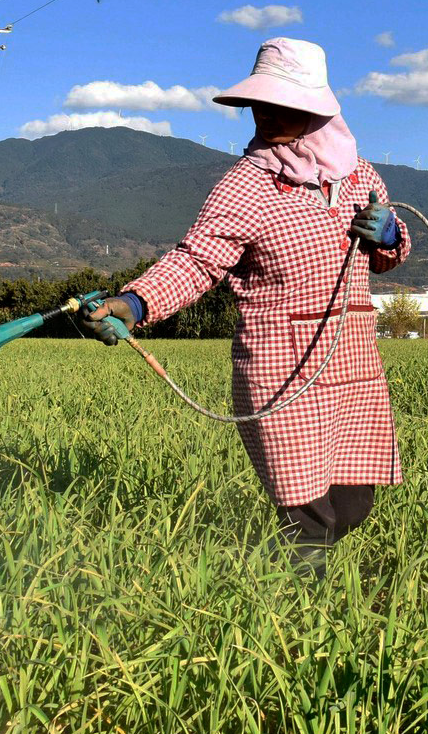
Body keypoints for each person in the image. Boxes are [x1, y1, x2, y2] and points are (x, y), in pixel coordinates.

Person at [84, 37, 409, 560]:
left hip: (354, 365)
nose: (264, 113)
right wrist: (136, 302)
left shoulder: (360, 177)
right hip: (282, 371)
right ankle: (297, 618)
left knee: (353, 503)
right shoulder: (247, 185)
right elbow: (196, 260)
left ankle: (273, 578)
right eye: (260, 102)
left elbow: (386, 256)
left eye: (280, 102)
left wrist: (390, 236)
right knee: (309, 517)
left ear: (315, 109)